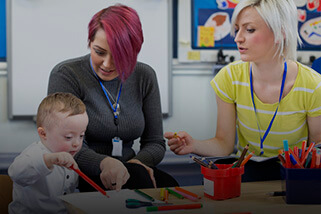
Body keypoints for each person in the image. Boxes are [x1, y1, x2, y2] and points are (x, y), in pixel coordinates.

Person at [165, 0, 321, 163]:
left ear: (280, 32)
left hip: (292, 175)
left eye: (250, 30)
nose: (238, 38)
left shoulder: (313, 85)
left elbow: (316, 151)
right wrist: (194, 145)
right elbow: (224, 145)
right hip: (246, 174)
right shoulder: (229, 77)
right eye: (237, 29)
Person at [47, 4, 178, 192]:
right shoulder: (66, 75)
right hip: (82, 171)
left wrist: (135, 164)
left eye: (119, 56)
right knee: (140, 182)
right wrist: (106, 164)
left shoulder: (145, 75)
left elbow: (155, 143)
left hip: (131, 168)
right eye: (99, 52)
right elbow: (67, 145)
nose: (107, 64)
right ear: (89, 42)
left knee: (169, 187)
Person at [8, 92, 88, 213]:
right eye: (68, 137)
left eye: (81, 135)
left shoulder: (69, 154)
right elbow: (15, 173)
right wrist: (48, 160)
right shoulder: (33, 153)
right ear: (43, 134)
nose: (77, 143)